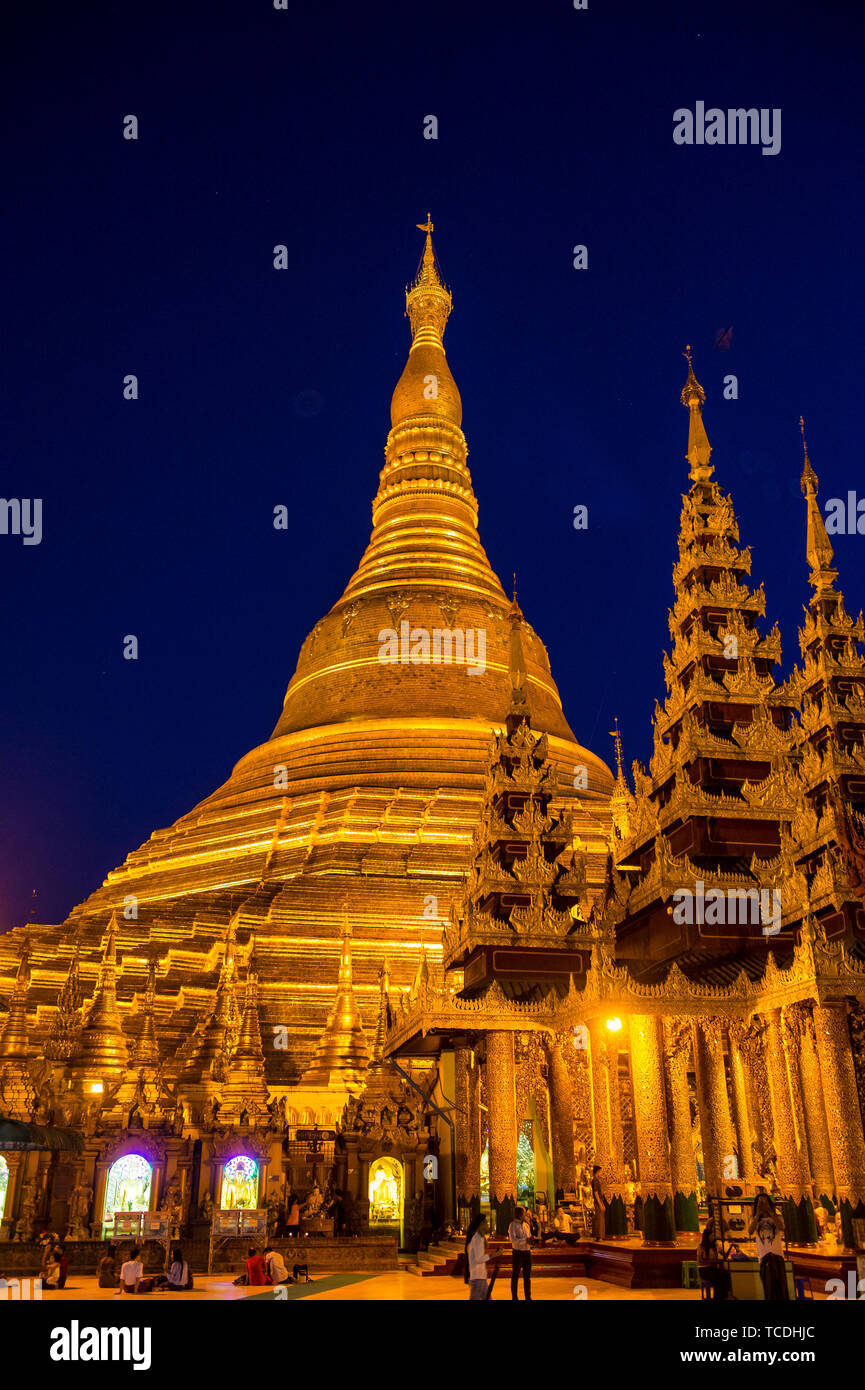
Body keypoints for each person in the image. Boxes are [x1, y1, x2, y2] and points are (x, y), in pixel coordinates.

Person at [749, 1194, 789, 1300]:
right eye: (760, 1202)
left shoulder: (777, 1216)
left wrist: (770, 1212)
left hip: (777, 1255)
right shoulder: (754, 1219)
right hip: (764, 1256)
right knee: (769, 1288)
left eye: (765, 1202)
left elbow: (781, 1227)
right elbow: (750, 1231)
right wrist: (757, 1214)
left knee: (780, 1286)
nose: (763, 1204)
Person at [697, 1218, 734, 1300]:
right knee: (719, 1278)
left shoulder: (715, 1245)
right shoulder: (702, 1246)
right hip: (704, 1270)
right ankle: (719, 1297)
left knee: (725, 1274)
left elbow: (724, 1254)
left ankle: (726, 1295)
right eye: (711, 1236)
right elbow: (702, 1260)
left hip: (712, 1268)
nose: (713, 1237)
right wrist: (715, 1261)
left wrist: (730, 1247)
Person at [508, 1205, 532, 1301]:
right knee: (515, 1275)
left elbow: (529, 1237)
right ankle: (514, 1297)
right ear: (519, 1214)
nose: (525, 1215)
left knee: (527, 1276)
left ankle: (528, 1296)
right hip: (518, 1252)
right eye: (524, 1213)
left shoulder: (526, 1225)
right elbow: (513, 1239)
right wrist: (525, 1240)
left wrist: (531, 1241)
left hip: (527, 1252)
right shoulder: (512, 1225)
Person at [465, 1213, 489, 1301]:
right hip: (477, 1276)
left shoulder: (480, 1237)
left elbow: (486, 1246)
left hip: (480, 1276)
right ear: (481, 1223)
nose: (488, 1224)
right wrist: (494, 1255)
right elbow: (478, 1258)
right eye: (486, 1222)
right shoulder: (475, 1238)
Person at [590, 1166, 607, 1238]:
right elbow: (596, 1193)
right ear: (597, 1171)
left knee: (601, 1219)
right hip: (598, 1201)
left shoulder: (597, 1180)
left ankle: (600, 1236)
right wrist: (600, 1204)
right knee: (599, 1220)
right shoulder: (595, 1181)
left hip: (600, 1200)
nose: (601, 1173)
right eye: (600, 1171)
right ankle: (599, 1236)